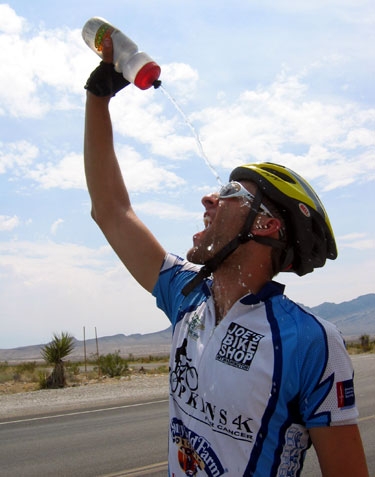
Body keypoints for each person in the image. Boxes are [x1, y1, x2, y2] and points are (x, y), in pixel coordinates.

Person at [83, 37, 369, 477]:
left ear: (266, 225)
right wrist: (98, 100)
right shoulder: (186, 293)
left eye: (230, 194)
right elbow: (111, 211)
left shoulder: (311, 341)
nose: (208, 198)